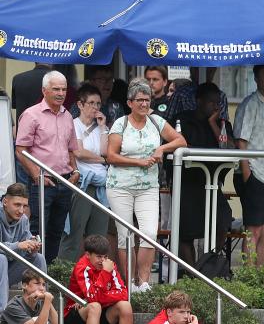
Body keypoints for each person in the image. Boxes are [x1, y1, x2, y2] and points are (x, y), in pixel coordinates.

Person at [106, 78, 186, 291]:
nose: (144, 104)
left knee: (150, 233)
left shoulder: (156, 121)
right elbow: (111, 156)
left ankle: (143, 282)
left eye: (147, 99)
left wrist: (162, 149)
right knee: (125, 235)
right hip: (120, 186)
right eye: (139, 100)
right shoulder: (120, 123)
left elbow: (181, 140)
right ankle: (130, 283)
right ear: (130, 102)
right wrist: (138, 162)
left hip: (148, 186)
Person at [14, 70, 80, 263]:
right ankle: (34, 274)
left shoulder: (67, 115)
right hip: (42, 181)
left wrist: (75, 170)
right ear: (44, 90)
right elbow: (21, 150)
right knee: (37, 229)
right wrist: (37, 175)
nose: (61, 93)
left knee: (57, 230)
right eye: (56, 89)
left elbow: (71, 149)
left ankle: (48, 270)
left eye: (64, 89)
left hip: (64, 180)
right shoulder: (31, 114)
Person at [170, 83, 234, 264]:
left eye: (218, 103)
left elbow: (229, 148)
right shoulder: (182, 120)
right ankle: (192, 275)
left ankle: (208, 265)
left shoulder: (221, 123)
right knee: (185, 232)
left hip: (212, 184)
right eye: (211, 102)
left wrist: (213, 123)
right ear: (199, 101)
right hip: (188, 184)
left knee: (223, 219)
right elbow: (177, 145)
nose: (216, 106)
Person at [234, 65, 264, 266]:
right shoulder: (249, 104)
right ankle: (248, 278)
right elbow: (241, 141)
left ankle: (259, 277)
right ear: (255, 79)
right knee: (253, 230)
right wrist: (247, 175)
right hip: (254, 173)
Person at [58, 84, 111, 263]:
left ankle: (94, 279)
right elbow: (79, 152)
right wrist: (103, 160)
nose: (95, 107)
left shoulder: (101, 128)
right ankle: (65, 277)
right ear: (80, 104)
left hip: (101, 185)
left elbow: (105, 151)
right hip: (82, 182)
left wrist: (103, 127)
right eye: (91, 103)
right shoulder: (73, 124)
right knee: (75, 231)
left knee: (98, 236)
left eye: (98, 103)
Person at [64, 234, 132, 324]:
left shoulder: (109, 265)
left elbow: (123, 294)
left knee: (125, 306)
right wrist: (105, 274)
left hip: (101, 311)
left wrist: (98, 297)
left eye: (105, 257)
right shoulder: (82, 267)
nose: (103, 261)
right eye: (99, 257)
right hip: (75, 316)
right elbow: (93, 296)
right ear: (88, 255)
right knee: (94, 306)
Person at [1, 183, 47, 309]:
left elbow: (24, 251)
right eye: (17, 205)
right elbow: (18, 246)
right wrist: (19, 245)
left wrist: (32, 249)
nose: (21, 210)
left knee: (39, 258)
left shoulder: (24, 220)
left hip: (7, 273)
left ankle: (40, 310)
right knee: (1, 259)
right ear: (5, 202)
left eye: (24, 206)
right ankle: (2, 314)